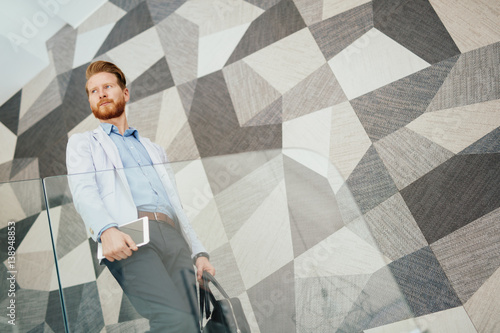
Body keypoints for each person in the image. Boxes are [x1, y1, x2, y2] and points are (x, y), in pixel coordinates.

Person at [66, 61, 215, 332]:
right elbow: (83, 190)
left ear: (125, 93)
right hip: (128, 236)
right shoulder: (83, 143)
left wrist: (199, 252)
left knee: (191, 324)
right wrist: (105, 230)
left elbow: (175, 205)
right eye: (93, 91)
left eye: (107, 87)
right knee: (173, 319)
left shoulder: (154, 149)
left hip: (173, 237)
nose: (100, 94)